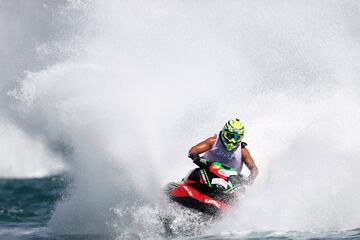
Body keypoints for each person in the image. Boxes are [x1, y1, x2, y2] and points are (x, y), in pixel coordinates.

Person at [188, 118, 258, 184]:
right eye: (229, 136)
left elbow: (253, 168)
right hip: (207, 172)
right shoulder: (213, 142)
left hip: (229, 181)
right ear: (224, 132)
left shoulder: (243, 151)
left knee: (241, 190)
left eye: (236, 138)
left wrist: (251, 178)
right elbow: (193, 150)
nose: (232, 140)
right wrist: (197, 158)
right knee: (194, 174)